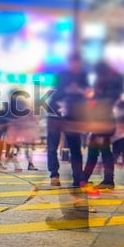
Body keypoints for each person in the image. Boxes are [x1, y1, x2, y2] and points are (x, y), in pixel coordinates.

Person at [46, 54, 90, 187]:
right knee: (52, 146)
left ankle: (78, 177)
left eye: (78, 64)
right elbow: (52, 92)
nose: (76, 66)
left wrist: (80, 91)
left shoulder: (83, 76)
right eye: (74, 63)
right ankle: (54, 174)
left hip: (73, 117)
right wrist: (66, 90)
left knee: (75, 147)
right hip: (55, 114)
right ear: (70, 63)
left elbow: (86, 95)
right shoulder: (61, 75)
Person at [82, 61, 124, 189]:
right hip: (103, 122)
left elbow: (102, 103)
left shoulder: (105, 84)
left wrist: (92, 99)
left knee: (98, 151)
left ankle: (98, 179)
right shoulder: (109, 83)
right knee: (100, 151)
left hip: (102, 123)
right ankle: (90, 178)